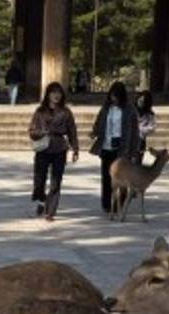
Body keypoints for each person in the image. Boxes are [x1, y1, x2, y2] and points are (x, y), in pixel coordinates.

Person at [28, 82, 79, 222]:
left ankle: (50, 211)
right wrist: (41, 132)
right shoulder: (40, 111)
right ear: (48, 94)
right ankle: (41, 200)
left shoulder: (66, 112)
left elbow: (72, 131)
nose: (56, 95)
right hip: (43, 148)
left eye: (59, 92)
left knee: (56, 181)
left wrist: (75, 149)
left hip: (59, 148)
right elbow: (32, 131)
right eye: (53, 92)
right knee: (39, 180)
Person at [89, 81, 138, 214]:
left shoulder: (129, 110)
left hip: (122, 148)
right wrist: (94, 132)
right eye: (112, 96)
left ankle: (120, 203)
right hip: (106, 146)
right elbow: (98, 123)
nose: (114, 99)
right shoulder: (106, 108)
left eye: (116, 96)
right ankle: (106, 204)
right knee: (106, 176)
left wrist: (134, 151)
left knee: (121, 178)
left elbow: (135, 132)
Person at [135, 90, 157, 164]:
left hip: (140, 141)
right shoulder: (131, 111)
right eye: (140, 100)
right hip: (128, 142)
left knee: (137, 163)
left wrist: (140, 129)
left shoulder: (150, 115)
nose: (140, 102)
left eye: (143, 101)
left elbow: (152, 127)